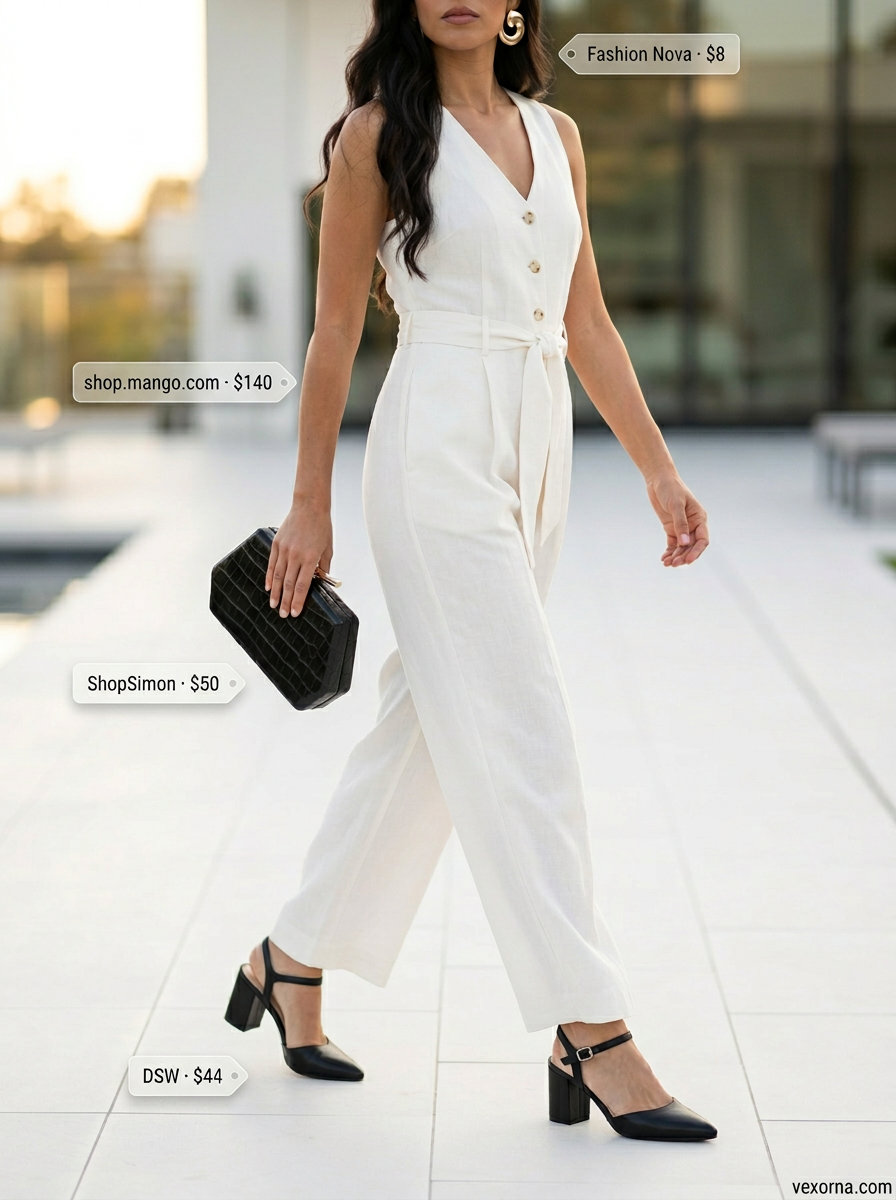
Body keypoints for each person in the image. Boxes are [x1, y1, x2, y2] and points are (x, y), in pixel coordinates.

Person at [224, 0, 716, 1141]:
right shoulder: (374, 136)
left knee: (435, 727)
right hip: (434, 442)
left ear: (512, 7)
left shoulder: (558, 137)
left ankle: (288, 958)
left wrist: (656, 470)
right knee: (522, 724)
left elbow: (585, 321)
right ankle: (588, 1027)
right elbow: (334, 332)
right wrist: (307, 506)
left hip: (536, 438)